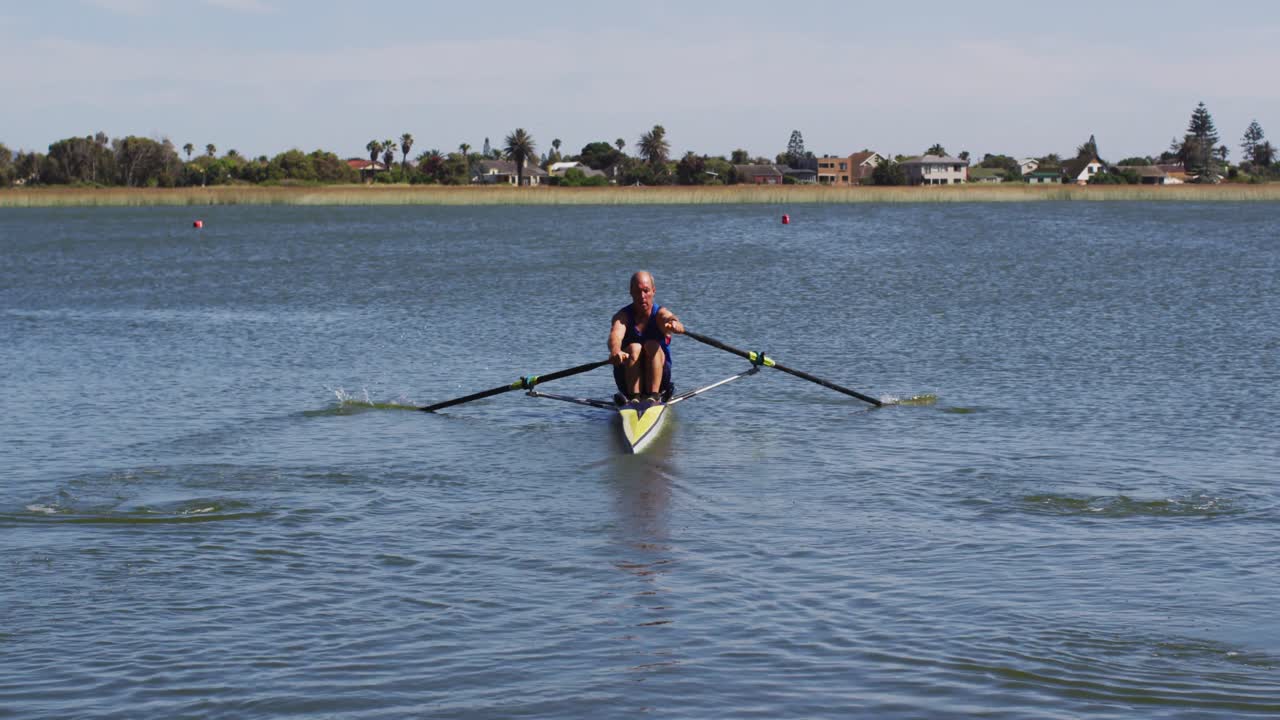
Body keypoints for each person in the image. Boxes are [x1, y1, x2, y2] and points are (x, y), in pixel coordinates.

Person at [608, 271, 684, 402]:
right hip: (627, 379)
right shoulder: (622, 316)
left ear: (653, 291)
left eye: (646, 291)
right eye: (637, 292)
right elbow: (615, 335)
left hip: (660, 381)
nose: (642, 296)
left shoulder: (659, 314)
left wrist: (675, 324)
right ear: (631, 292)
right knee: (634, 348)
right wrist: (615, 351)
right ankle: (633, 398)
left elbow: (669, 317)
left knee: (652, 345)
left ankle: (653, 396)